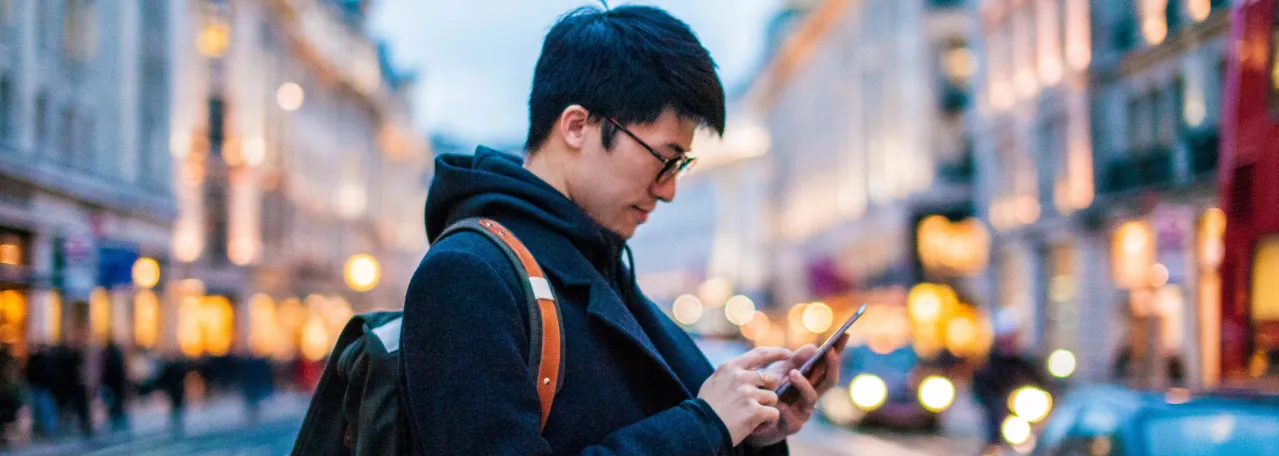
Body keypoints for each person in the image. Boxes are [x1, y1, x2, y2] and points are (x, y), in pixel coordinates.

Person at [400, 5, 846, 455]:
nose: (669, 189)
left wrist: (750, 433)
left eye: (681, 165)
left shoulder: (598, 260)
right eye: (663, 158)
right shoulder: (469, 274)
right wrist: (706, 423)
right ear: (578, 126)